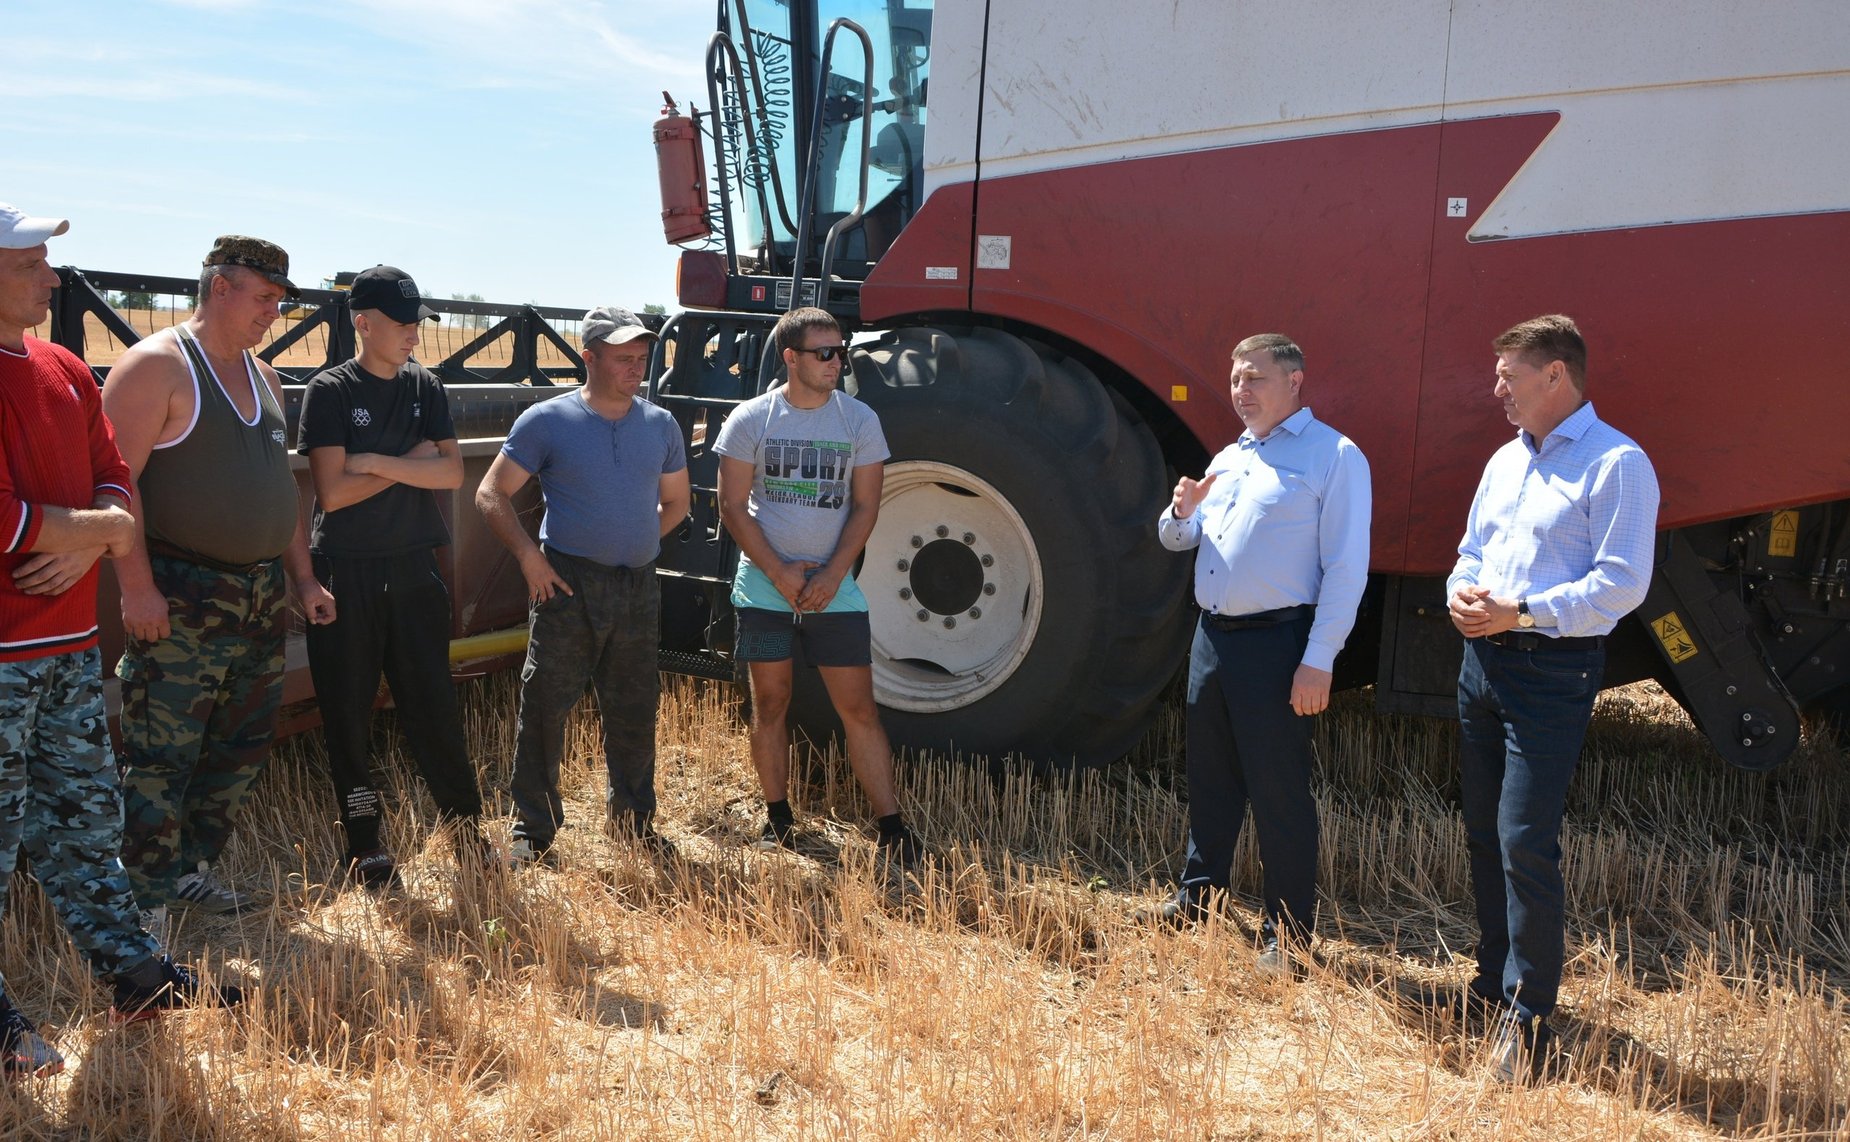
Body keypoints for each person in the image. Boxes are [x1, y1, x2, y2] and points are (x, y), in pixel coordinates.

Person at [0, 203, 241, 1076]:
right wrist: (90, 531)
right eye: (29, 265)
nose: (51, 279)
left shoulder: (64, 364)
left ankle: (134, 975)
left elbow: (116, 477)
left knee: (84, 821)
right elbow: (6, 518)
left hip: (65, 647)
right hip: (3, 653)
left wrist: (83, 532)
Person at [1447, 314, 1658, 1082]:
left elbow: (1622, 583)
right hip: (1484, 665)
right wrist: (1461, 594)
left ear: (1556, 376)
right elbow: (1473, 548)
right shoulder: (1507, 460)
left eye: (1509, 375)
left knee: (1524, 842)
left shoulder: (1617, 464)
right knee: (1481, 832)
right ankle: (1489, 988)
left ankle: (1530, 1022)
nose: (1496, 387)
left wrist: (1523, 614)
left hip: (1550, 672)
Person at [104, 234, 335, 921]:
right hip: (183, 594)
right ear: (220, 287)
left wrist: (305, 578)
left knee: (237, 746)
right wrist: (137, 588)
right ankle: (142, 908)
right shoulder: (156, 368)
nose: (273, 312)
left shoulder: (264, 378)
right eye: (264, 297)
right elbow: (116, 488)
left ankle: (189, 872)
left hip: (260, 597)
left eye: (281, 301)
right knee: (160, 755)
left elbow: (279, 491)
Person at [1153, 333, 1371, 975]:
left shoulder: (1334, 456)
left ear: (1296, 381)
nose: (1240, 390)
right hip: (1213, 639)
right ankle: (1199, 900)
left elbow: (1347, 567)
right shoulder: (1232, 455)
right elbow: (1182, 539)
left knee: (1280, 794)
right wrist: (1181, 511)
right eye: (1235, 378)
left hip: (1279, 643)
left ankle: (1290, 935)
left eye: (1255, 379)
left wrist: (1319, 657)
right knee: (1210, 780)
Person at [476, 306, 689, 863]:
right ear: (588, 358)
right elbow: (491, 493)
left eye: (642, 358)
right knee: (546, 705)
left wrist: (637, 541)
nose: (635, 368)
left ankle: (635, 824)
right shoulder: (547, 421)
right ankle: (534, 829)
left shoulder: (660, 425)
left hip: (638, 586)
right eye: (623, 358)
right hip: (565, 583)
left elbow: (677, 504)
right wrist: (529, 559)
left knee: (636, 707)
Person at [297, 265, 485, 889]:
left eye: (417, 324)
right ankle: (365, 843)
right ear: (363, 323)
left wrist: (374, 460)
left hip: (413, 568)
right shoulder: (330, 390)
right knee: (349, 715)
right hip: (346, 572)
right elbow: (332, 493)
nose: (413, 334)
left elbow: (453, 474)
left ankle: (465, 827)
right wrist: (413, 462)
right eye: (402, 324)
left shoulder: (424, 386)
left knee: (433, 703)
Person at [713, 307, 922, 866]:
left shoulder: (859, 420)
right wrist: (780, 573)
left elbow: (866, 505)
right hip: (763, 589)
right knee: (771, 702)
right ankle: (778, 818)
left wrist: (832, 574)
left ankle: (893, 827)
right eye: (824, 353)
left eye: (841, 351)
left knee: (860, 709)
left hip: (837, 591)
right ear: (791, 358)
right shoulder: (751, 419)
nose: (836, 362)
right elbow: (731, 506)